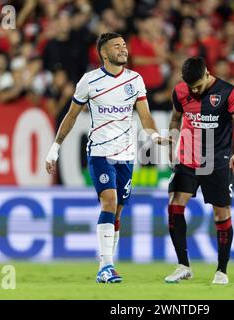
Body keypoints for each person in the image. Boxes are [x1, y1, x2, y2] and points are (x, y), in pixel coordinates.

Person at [45, 32, 168, 283]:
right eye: (117, 46)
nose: (123, 49)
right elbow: (70, 116)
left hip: (127, 154)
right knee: (109, 202)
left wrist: (154, 136)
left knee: (118, 211)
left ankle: (108, 265)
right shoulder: (89, 81)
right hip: (100, 152)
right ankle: (106, 265)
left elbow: (145, 116)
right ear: (104, 53)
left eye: (124, 45)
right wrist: (55, 148)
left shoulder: (135, 79)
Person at [166, 56, 234, 285]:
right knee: (174, 204)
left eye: (198, 85)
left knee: (221, 214)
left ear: (207, 74)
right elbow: (175, 119)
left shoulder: (228, 92)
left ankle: (221, 271)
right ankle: (183, 266)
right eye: (190, 86)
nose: (193, 90)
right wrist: (172, 144)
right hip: (188, 157)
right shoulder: (180, 91)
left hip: (218, 160)